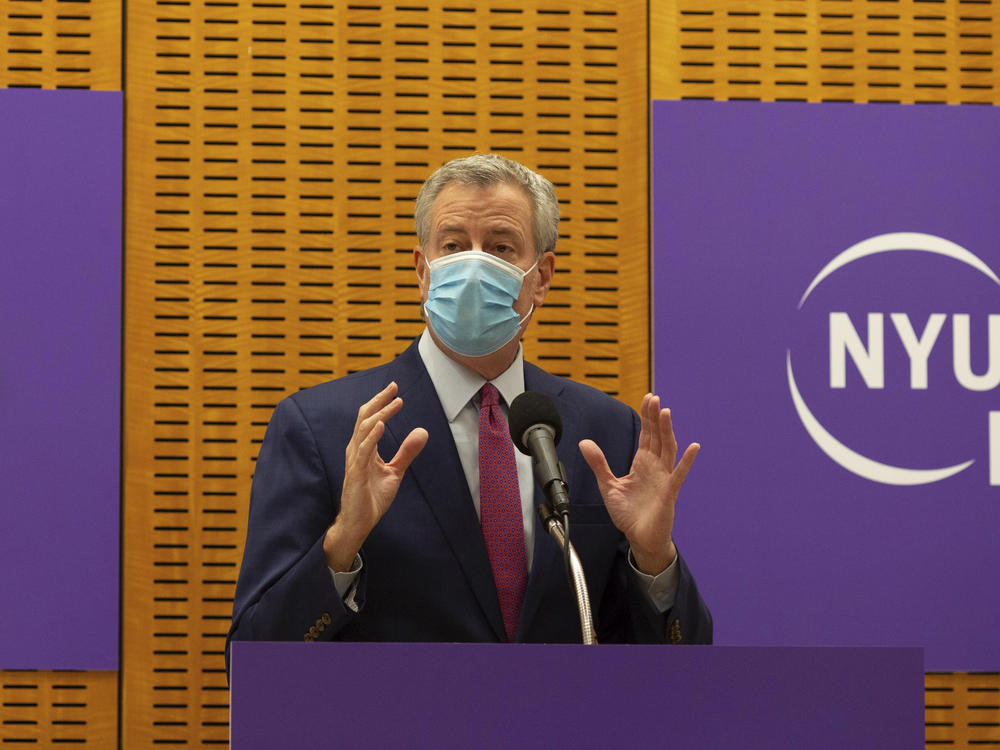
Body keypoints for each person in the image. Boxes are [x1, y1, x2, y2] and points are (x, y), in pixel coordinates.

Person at [227, 154, 711, 668]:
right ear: (423, 270)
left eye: (501, 248)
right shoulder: (327, 429)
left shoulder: (607, 432)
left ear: (541, 278)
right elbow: (254, 657)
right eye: (454, 246)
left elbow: (684, 669)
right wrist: (342, 544)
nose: (474, 264)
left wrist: (654, 560)